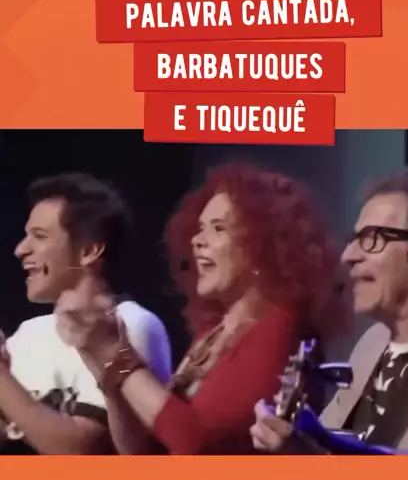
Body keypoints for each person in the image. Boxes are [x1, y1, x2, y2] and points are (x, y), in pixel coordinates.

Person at [54, 162, 349, 455]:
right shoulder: (212, 334)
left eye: (218, 228)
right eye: (200, 228)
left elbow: (199, 444)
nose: (196, 241)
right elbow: (141, 452)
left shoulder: (280, 326)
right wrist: (108, 374)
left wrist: (119, 358)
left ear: (263, 246)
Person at [250, 167, 408, 455]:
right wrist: (297, 437)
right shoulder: (373, 342)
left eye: (373, 239)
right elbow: (327, 448)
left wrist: (322, 450)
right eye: (354, 239)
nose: (348, 256)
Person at [0, 172, 172, 454]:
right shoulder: (28, 332)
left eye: (39, 236)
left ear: (89, 250)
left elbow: (83, 452)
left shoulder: (130, 325)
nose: (21, 249)